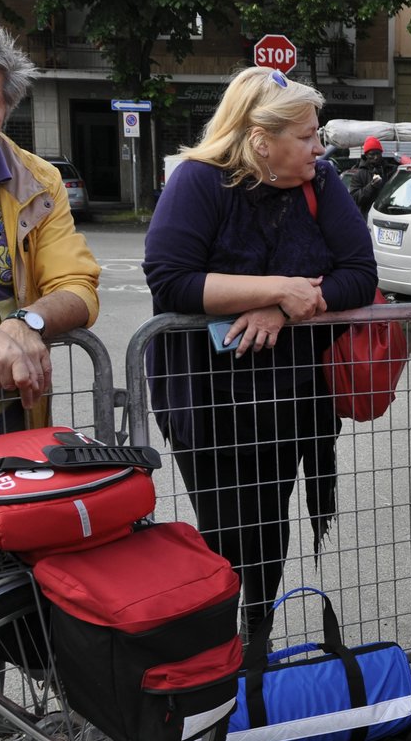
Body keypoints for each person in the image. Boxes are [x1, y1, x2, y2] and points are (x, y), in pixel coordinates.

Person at [144, 66, 378, 643]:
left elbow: (360, 273)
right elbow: (170, 279)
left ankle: (257, 638)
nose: (319, 148)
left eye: (317, 134)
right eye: (305, 136)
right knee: (226, 529)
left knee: (270, 524)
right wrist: (277, 288)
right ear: (259, 141)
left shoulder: (318, 184)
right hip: (206, 394)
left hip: (286, 393)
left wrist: (290, 307)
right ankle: (221, 650)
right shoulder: (199, 181)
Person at [0, 21, 100, 442]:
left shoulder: (36, 180)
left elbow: (78, 286)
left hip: (8, 428)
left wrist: (29, 321)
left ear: (6, 108)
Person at [340, 136, 390, 214]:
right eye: (372, 154)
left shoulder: (388, 170)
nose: (376, 157)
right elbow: (354, 199)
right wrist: (371, 186)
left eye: (378, 153)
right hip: (366, 216)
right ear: (366, 155)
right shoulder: (359, 174)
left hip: (387, 214)